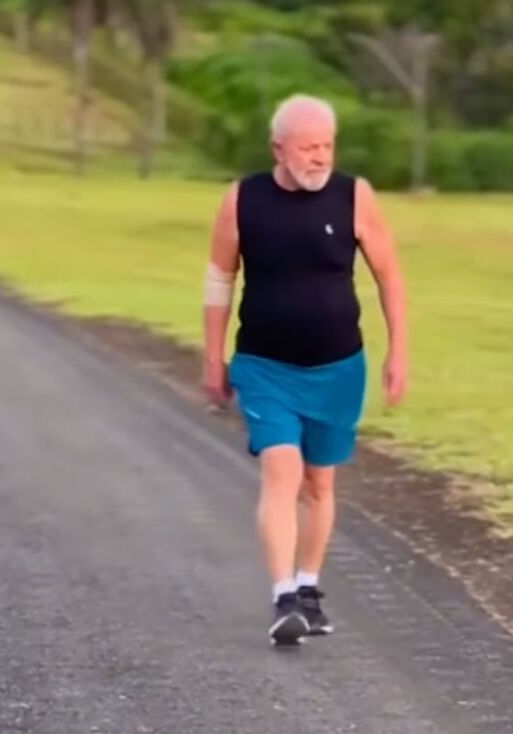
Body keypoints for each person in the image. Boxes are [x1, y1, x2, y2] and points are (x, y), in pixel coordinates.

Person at [201, 93, 408, 645]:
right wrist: (212, 357)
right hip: (264, 364)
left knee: (319, 483)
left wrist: (399, 351)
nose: (319, 157)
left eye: (327, 147)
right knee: (281, 473)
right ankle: (283, 596)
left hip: (339, 366)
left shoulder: (354, 197)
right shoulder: (243, 199)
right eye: (308, 147)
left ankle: (310, 587)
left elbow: (389, 276)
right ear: (278, 148)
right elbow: (220, 280)